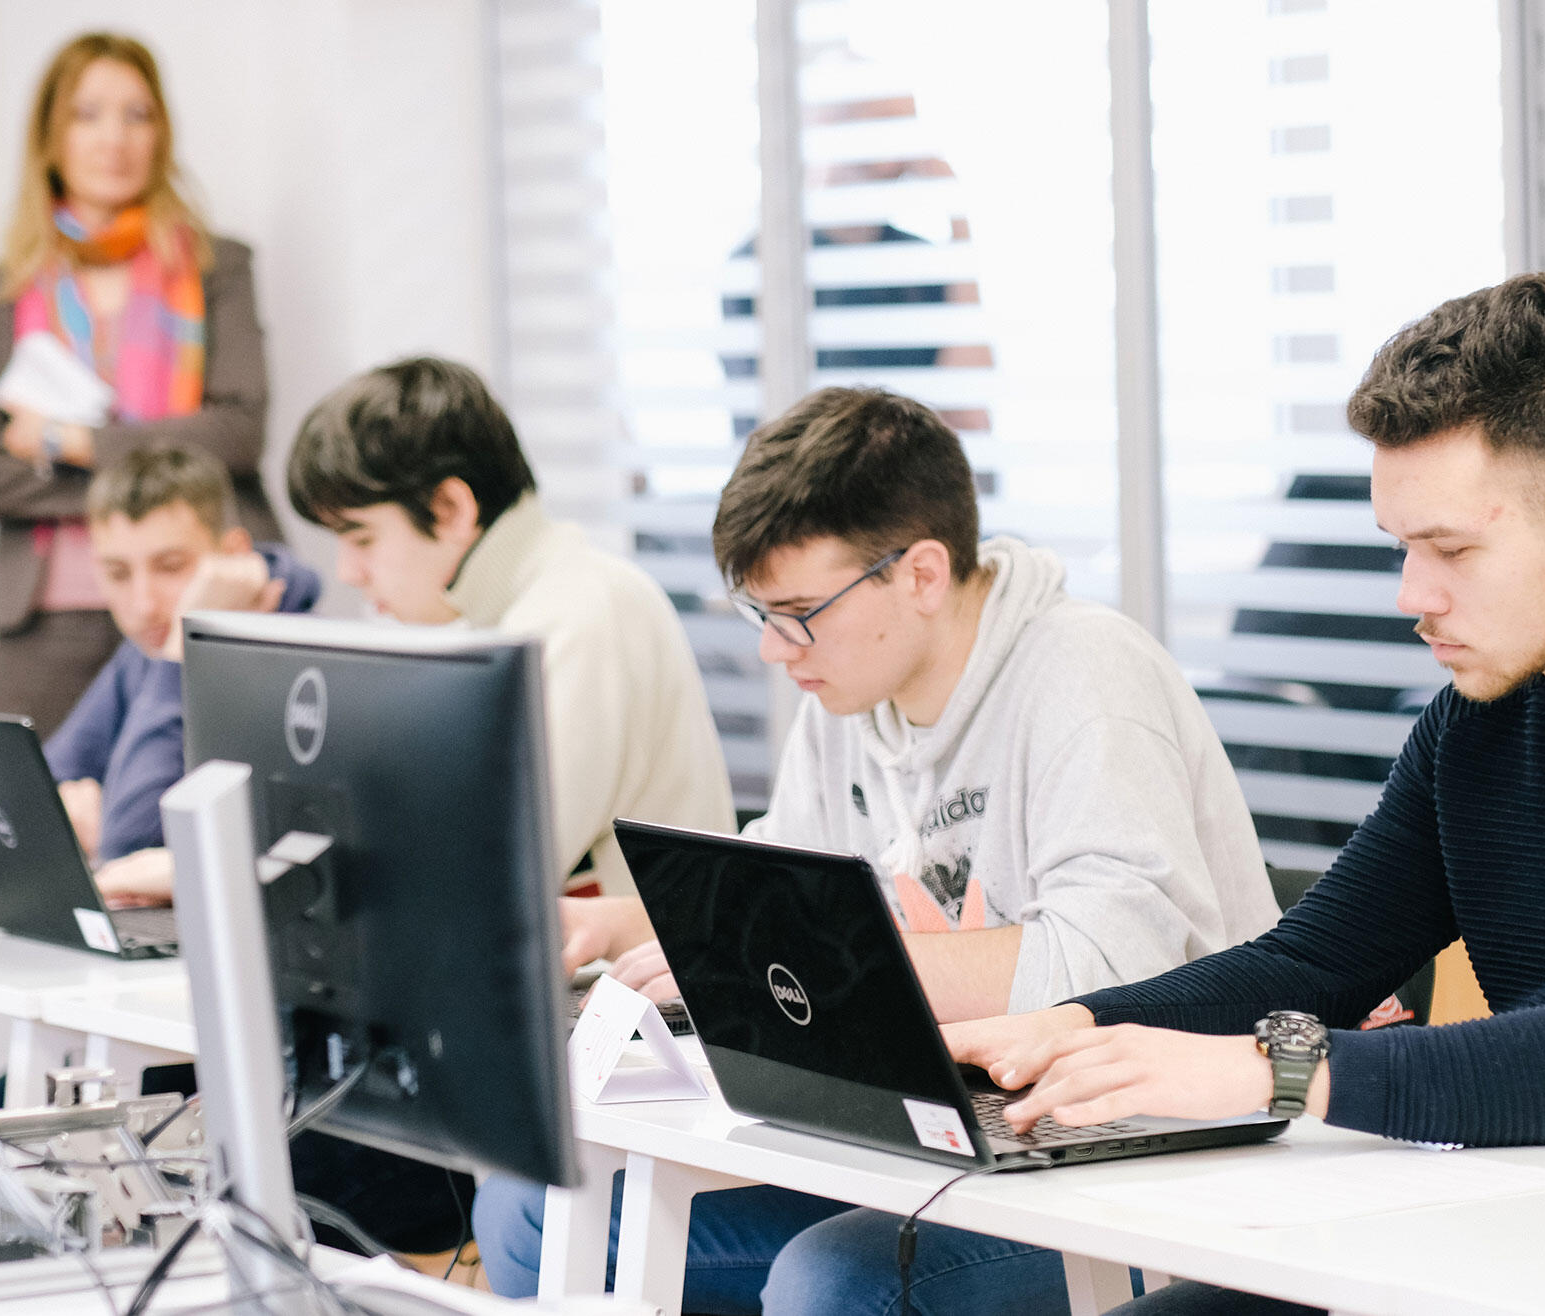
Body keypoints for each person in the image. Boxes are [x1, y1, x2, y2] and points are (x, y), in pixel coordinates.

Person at [937, 273, 1545, 1315]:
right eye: (1403, 548)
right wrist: (1068, 1029)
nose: (1413, 597)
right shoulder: (1485, 713)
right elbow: (1311, 960)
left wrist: (1265, 1072)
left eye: (1451, 550)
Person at [475, 386, 1284, 1312]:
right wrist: (631, 923)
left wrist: (822, 961)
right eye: (761, 614)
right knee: (527, 1213)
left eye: (801, 611)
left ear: (922, 575)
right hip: (937, 1127)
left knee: (834, 1283)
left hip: (1133, 1157)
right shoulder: (848, 695)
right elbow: (778, 894)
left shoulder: (1088, 675)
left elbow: (1113, 963)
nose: (780, 651)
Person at [284, 355, 737, 898]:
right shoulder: (499, 615)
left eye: (361, 539)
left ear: (452, 508)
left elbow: (479, 874)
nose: (347, 572)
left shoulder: (581, 613)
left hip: (624, 979)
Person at [0, 31, 280, 740]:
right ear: (50, 135)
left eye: (138, 115)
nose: (115, 138)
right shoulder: (4, 292)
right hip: (48, 613)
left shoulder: (216, 267)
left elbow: (236, 433)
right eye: (88, 114)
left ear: (163, 133)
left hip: (204, 600)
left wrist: (65, 441)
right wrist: (151, 484)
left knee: (217, 818)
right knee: (38, 821)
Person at [41, 445, 318, 906]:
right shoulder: (145, 649)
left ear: (231, 554)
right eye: (117, 573)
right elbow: (44, 786)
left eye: (170, 567)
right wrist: (68, 807)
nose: (143, 603)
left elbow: (126, 843)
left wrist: (176, 662)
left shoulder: (299, 655)